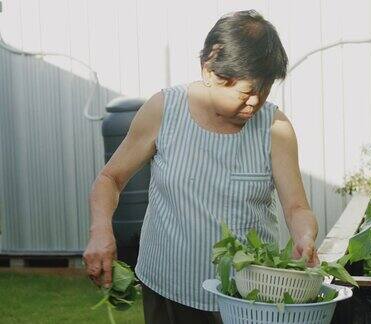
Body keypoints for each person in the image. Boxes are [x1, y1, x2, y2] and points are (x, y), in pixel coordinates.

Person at [82, 9, 320, 324]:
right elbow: (110, 178)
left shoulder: (275, 128)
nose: (255, 103)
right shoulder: (165, 110)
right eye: (246, 92)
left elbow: (296, 208)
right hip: (166, 289)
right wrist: (101, 230)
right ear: (209, 71)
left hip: (245, 297)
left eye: (264, 92)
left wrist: (304, 237)